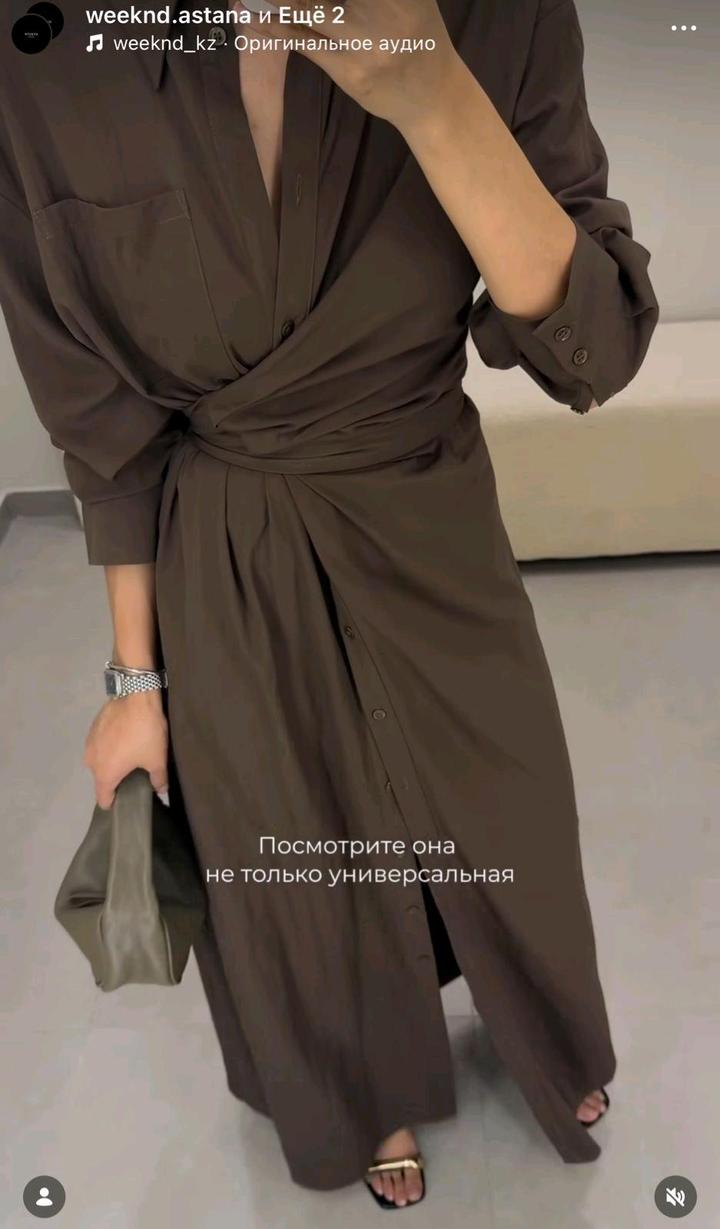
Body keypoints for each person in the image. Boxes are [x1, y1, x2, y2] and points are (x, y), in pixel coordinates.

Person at [0, 0, 658, 1210]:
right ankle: (361, 1087)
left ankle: (545, 1031)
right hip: (220, 543)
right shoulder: (50, 49)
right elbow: (104, 428)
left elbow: (598, 345)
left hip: (424, 506)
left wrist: (433, 97)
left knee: (503, 809)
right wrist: (134, 684)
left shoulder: (496, 11)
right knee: (289, 842)